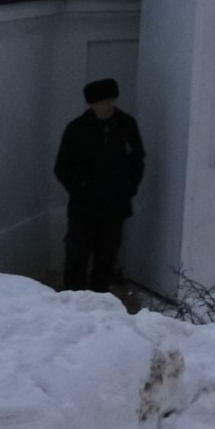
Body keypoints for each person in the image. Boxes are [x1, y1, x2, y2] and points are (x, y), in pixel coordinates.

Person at [53, 77, 146, 293]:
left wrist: (129, 188)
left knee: (107, 256)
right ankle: (72, 299)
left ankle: (100, 301)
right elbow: (62, 167)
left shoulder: (126, 125)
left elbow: (138, 159)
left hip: (115, 205)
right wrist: (81, 189)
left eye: (112, 100)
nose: (109, 106)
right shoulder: (77, 129)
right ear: (92, 104)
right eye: (103, 101)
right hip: (83, 207)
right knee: (77, 254)